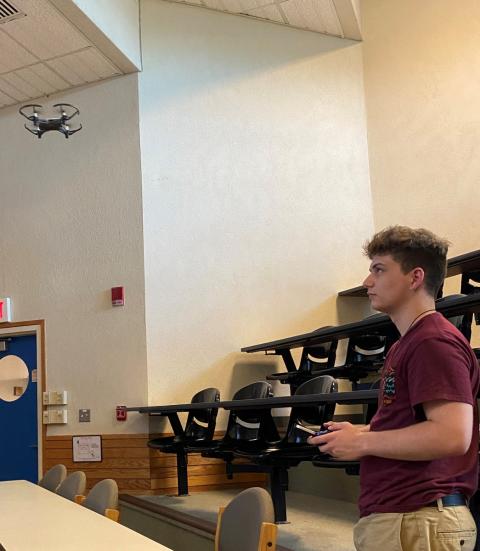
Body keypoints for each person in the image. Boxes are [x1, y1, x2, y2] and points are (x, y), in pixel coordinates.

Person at [308, 226, 479, 551]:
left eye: (379, 269)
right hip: (408, 520)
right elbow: (414, 425)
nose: (367, 281)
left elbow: (452, 435)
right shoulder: (410, 342)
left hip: (419, 522)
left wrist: (364, 443)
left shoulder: (433, 342)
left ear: (415, 277)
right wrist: (359, 432)